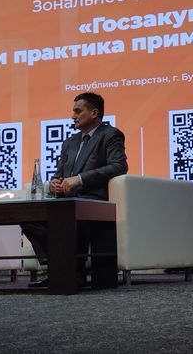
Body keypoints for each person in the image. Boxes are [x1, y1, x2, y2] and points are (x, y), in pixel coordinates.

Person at [22, 92, 128, 288]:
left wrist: (79, 179)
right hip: (66, 199)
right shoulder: (69, 142)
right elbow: (59, 174)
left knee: (67, 215)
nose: (73, 116)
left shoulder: (110, 135)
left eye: (78, 111)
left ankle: (64, 271)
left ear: (94, 113)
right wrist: (55, 183)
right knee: (29, 216)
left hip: (93, 199)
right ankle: (60, 268)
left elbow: (118, 166)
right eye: (73, 112)